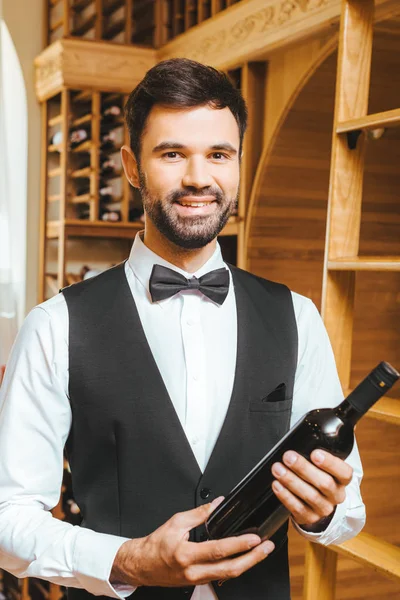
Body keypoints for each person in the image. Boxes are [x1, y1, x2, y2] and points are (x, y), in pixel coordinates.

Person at [0, 58, 365, 600]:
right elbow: (8, 518)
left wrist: (321, 514)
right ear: (131, 166)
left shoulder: (298, 317)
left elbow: (348, 509)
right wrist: (126, 559)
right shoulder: (54, 327)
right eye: (172, 153)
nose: (199, 177)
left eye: (219, 154)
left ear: (239, 163)